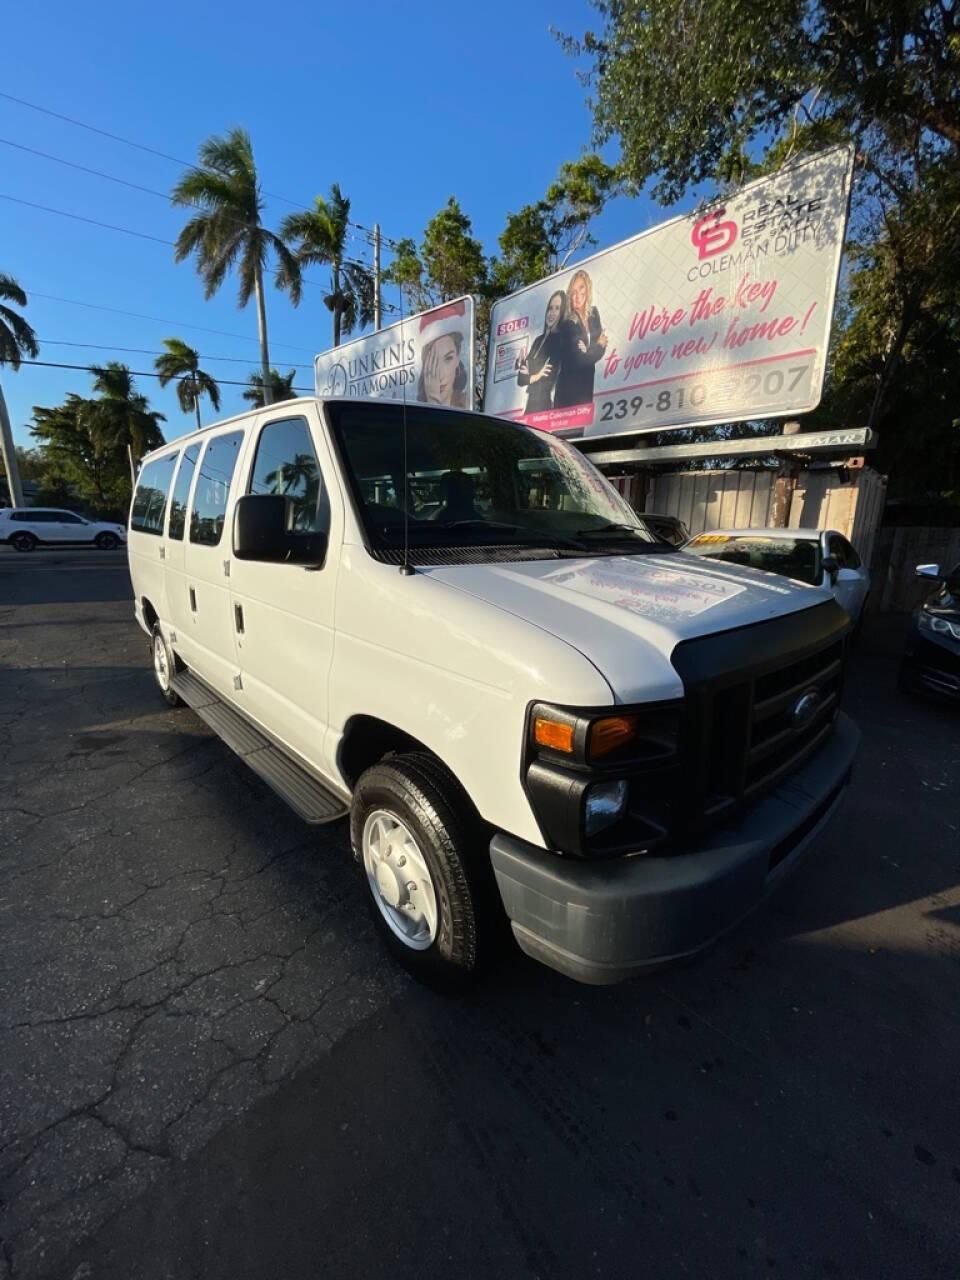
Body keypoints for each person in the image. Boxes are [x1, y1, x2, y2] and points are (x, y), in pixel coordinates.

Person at [554, 269, 608, 410]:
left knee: (582, 431)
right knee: (564, 432)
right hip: (567, 392)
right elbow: (579, 360)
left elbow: (602, 343)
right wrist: (598, 346)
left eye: (581, 288)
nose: (577, 295)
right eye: (573, 292)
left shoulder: (594, 314)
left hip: (586, 388)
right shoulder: (567, 323)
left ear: (588, 289)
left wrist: (589, 351)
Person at [516, 290, 566, 414]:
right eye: (550, 308)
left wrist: (532, 375)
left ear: (562, 313)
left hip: (543, 406)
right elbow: (521, 380)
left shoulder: (559, 341)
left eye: (557, 309)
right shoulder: (538, 340)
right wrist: (537, 375)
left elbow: (547, 378)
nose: (551, 313)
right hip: (530, 406)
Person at [417, 300, 469, 408]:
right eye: (433, 361)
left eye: (448, 358)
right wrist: (432, 400)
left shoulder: (468, 404)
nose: (440, 374)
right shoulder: (414, 411)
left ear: (457, 359)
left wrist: (434, 401)